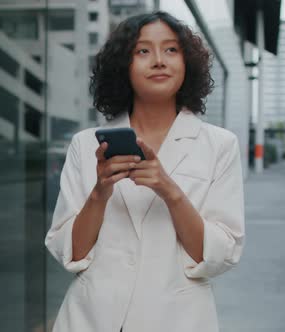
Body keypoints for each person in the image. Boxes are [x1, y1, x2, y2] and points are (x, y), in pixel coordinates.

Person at [45, 11, 245, 332]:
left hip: (178, 320)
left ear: (187, 63)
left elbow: (220, 254)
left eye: (171, 50)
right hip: (91, 318)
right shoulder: (85, 146)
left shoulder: (220, 145)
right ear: (123, 66)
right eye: (142, 51)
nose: (158, 61)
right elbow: (70, 253)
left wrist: (170, 191)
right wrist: (100, 192)